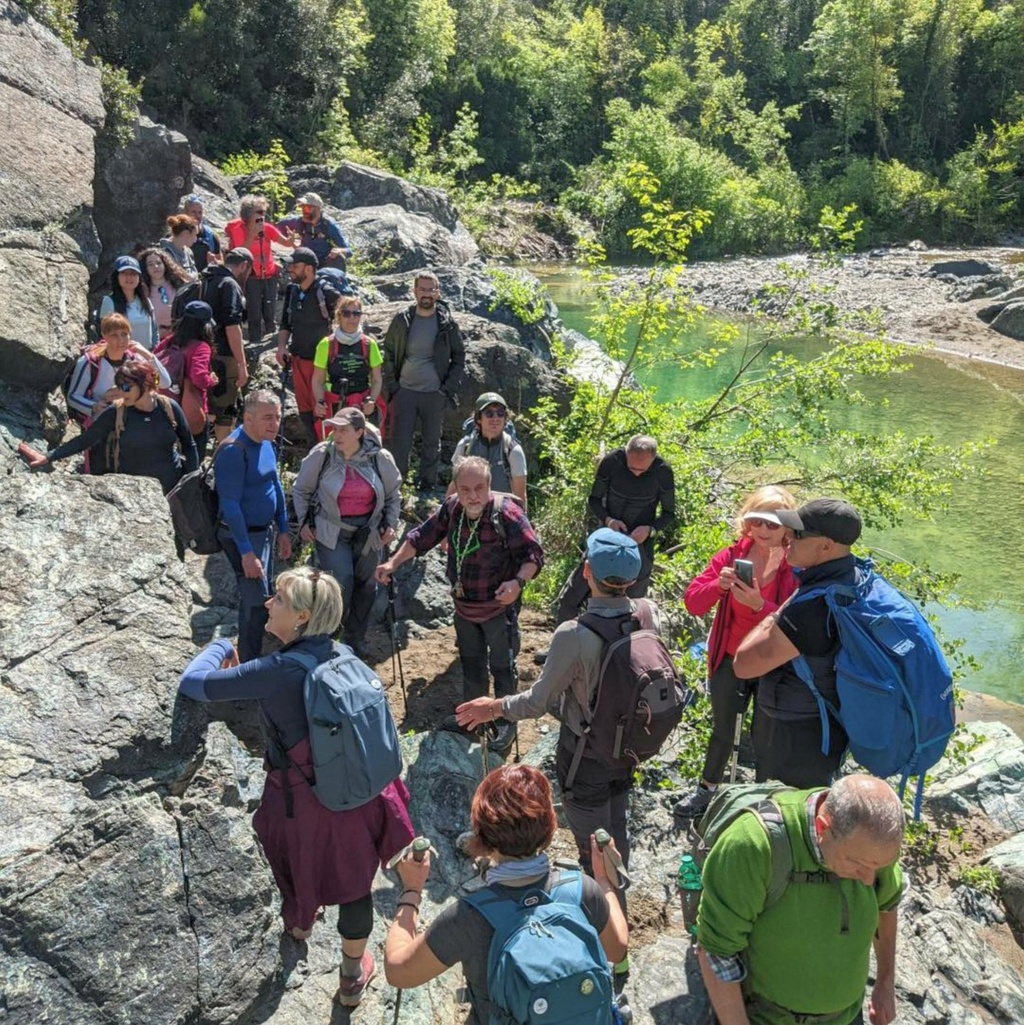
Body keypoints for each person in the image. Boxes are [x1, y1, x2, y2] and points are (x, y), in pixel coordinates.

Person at [178, 566, 415, 1007]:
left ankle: (300, 925)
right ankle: (350, 977)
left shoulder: (276, 669)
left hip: (304, 798)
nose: (268, 604)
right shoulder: (342, 654)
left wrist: (217, 646)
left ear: (303, 617)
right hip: (362, 790)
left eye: (280, 601)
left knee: (295, 863)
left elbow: (193, 684)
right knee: (355, 884)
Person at [457, 529, 652, 937]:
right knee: (615, 832)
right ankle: (620, 908)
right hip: (629, 748)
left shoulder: (574, 635)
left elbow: (536, 703)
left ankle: (605, 939)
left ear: (586, 572)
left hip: (585, 756)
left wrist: (492, 706)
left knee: (591, 853)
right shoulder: (648, 613)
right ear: (632, 579)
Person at [385, 764, 628, 1025]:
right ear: (549, 828)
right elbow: (617, 949)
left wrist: (411, 891)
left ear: (481, 837)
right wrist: (603, 880)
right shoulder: (581, 890)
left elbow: (399, 972)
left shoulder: (468, 918)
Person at [696, 773, 904, 1025]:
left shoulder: (868, 845)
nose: (870, 879)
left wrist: (885, 982)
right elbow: (717, 952)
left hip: (847, 1018)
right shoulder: (754, 846)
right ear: (822, 828)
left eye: (879, 867)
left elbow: (887, 903)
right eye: (858, 865)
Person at [376, 456, 543, 751]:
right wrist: (392, 563)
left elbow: (533, 555)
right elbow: (419, 538)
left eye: (479, 488)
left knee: (503, 667)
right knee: (472, 664)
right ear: (456, 488)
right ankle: (473, 720)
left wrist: (517, 582)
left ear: (490, 486)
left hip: (499, 609)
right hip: (464, 608)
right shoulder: (452, 509)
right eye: (465, 489)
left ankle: (505, 726)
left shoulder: (508, 515)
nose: (472, 496)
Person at [672, 486, 799, 820]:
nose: (764, 530)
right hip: (730, 656)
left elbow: (798, 621)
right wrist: (719, 586)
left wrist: (760, 605)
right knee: (723, 730)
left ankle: (763, 802)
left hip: (772, 661)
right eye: (757, 521)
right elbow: (693, 602)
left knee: (765, 735)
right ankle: (706, 790)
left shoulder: (796, 566)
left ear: (787, 526)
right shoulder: (730, 557)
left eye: (772, 524)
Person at [732, 498, 863, 788]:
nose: (787, 537)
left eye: (798, 533)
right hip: (827, 726)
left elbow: (744, 664)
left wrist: (772, 614)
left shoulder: (813, 608)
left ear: (827, 545)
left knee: (785, 817)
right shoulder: (854, 578)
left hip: (796, 734)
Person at [292, 407, 401, 657]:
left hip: (369, 532)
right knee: (341, 584)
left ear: (360, 432)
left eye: (343, 429)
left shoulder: (379, 458)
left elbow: (394, 494)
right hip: (331, 530)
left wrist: (391, 524)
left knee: (367, 586)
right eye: (334, 428)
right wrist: (303, 521)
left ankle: (356, 639)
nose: (336, 434)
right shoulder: (322, 455)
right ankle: (330, 639)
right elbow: (301, 490)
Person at [553, 436, 676, 625]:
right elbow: (594, 499)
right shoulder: (612, 462)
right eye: (632, 467)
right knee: (572, 597)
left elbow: (669, 513)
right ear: (626, 454)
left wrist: (650, 530)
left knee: (632, 607)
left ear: (652, 460)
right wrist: (608, 520)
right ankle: (559, 648)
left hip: (639, 544)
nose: (636, 473)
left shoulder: (662, 471)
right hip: (607, 538)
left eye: (641, 469)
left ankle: (619, 651)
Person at [26, 359, 197, 494]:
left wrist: (192, 481)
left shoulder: (169, 407)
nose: (121, 392)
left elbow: (189, 445)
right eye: (119, 386)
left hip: (172, 489)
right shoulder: (117, 412)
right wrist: (48, 456)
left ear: (145, 384)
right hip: (134, 491)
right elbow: (86, 440)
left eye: (126, 387)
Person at [214, 390, 292, 662]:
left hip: (265, 532)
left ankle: (254, 655)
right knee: (255, 600)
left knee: (262, 596)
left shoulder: (267, 443)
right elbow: (231, 505)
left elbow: (275, 484)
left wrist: (283, 527)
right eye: (267, 418)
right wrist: (246, 552)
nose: (275, 423)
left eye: (278, 417)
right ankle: (248, 663)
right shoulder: (234, 450)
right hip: (241, 536)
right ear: (248, 418)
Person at [382, 271, 465, 488]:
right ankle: (397, 485)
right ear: (415, 291)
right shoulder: (403, 319)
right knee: (401, 442)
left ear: (437, 292)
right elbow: (388, 352)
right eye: (422, 289)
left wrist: (446, 389)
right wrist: (394, 387)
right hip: (405, 391)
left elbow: (459, 356)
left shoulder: (446, 322)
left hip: (434, 392)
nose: (426, 294)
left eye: (431, 289)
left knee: (431, 443)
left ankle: (427, 485)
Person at [276, 247, 342, 447]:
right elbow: (286, 323)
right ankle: (315, 450)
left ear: (310, 268)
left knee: (323, 412)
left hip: (321, 365)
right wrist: (281, 347)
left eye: (295, 266)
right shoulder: (293, 290)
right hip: (298, 361)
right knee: (305, 412)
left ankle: (329, 452)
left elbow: (348, 314)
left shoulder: (326, 292)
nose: (290, 270)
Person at [67, 312, 172, 424]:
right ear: (104, 335)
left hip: (133, 421)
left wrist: (148, 355)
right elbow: (73, 396)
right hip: (102, 424)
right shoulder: (90, 363)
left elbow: (163, 382)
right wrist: (94, 406)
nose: (121, 340)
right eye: (114, 335)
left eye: (124, 334)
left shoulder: (135, 359)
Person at [311, 295, 387, 440]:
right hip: (335, 404)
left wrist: (372, 400)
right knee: (334, 445)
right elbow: (318, 379)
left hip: (361, 404)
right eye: (346, 313)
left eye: (356, 313)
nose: (352, 318)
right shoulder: (326, 344)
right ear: (339, 316)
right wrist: (320, 402)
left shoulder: (369, 344)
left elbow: (377, 379)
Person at [154, 300, 219, 459]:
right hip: (189, 410)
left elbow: (153, 360)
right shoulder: (201, 347)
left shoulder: (170, 341)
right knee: (194, 457)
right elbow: (198, 377)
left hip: (162, 406)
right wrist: (211, 380)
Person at [204, 247, 253, 442]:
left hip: (200, 354)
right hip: (224, 355)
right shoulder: (230, 284)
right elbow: (232, 326)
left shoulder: (205, 279)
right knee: (226, 410)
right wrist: (241, 364)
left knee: (208, 406)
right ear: (244, 266)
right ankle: (222, 457)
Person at [225, 194, 288, 342]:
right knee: (254, 312)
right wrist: (252, 233)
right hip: (251, 276)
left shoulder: (266, 228)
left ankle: (272, 340)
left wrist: (291, 241)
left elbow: (285, 242)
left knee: (270, 311)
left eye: (264, 212)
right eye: (259, 212)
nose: (262, 215)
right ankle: (255, 343)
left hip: (269, 274)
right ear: (248, 214)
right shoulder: (238, 229)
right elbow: (241, 252)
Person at [447, 392, 527, 510]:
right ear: (479, 419)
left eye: (500, 413)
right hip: (470, 509)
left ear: (505, 418)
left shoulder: (513, 450)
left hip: (501, 512)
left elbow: (520, 496)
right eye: (489, 413)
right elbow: (455, 485)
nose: (495, 418)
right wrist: (444, 515)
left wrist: (522, 524)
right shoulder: (465, 446)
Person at [276, 191, 352, 268]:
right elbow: (276, 227)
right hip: (305, 259)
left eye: (307, 208)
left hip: (323, 263)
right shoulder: (300, 221)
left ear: (318, 209)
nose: (303, 211)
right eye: (302, 207)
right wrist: (288, 241)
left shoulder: (328, 225)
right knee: (283, 261)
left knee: (339, 258)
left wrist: (339, 251)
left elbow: (349, 250)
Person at [99, 255, 159, 350]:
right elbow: (104, 335)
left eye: (133, 274)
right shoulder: (109, 302)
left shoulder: (145, 301)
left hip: (146, 357)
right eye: (124, 273)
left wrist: (154, 353)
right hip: (122, 358)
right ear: (117, 276)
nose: (129, 277)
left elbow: (155, 332)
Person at [140, 247, 191, 334]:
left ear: (165, 264)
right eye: (150, 264)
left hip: (180, 333)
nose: (155, 267)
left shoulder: (179, 283)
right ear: (145, 268)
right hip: (156, 337)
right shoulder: (143, 290)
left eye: (159, 263)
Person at [182, 194, 222, 272]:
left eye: (200, 212)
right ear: (185, 213)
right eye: (193, 212)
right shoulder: (176, 234)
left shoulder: (211, 235)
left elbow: (221, 262)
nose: (197, 216)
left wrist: (214, 261)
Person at [159, 214, 200, 278]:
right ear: (185, 233)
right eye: (194, 235)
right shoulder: (164, 253)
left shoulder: (188, 252)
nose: (195, 239)